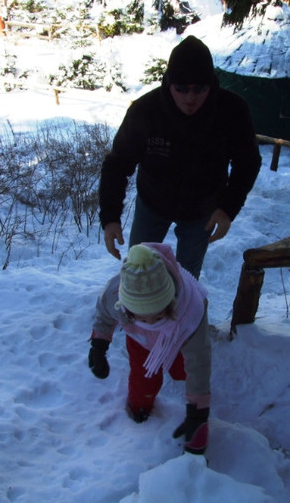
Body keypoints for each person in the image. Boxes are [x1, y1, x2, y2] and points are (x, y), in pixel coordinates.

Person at [99, 35, 262, 279]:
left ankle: (182, 314)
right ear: (169, 83)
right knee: (137, 269)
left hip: (202, 209)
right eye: (181, 89)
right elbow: (117, 165)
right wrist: (110, 217)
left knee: (187, 278)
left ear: (211, 84)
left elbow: (247, 162)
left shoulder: (232, 111)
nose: (190, 97)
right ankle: (137, 314)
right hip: (152, 201)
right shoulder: (146, 111)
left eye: (199, 89)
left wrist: (228, 208)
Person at [88, 242, 211, 455]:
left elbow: (199, 361)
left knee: (184, 369)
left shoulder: (190, 312)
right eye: (142, 316)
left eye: (159, 314)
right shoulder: (114, 294)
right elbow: (104, 314)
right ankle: (140, 407)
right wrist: (99, 344)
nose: (151, 321)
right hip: (139, 339)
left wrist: (198, 414)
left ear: (171, 301)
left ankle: (175, 366)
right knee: (143, 377)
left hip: (177, 335)